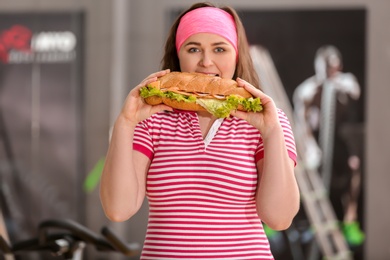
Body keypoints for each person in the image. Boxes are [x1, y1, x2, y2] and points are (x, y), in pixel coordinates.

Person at [100, 2, 300, 259]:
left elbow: (280, 218)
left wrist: (271, 132)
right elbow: (118, 209)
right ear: (178, 55)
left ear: (236, 55)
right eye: (193, 49)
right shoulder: (150, 120)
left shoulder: (269, 119)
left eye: (220, 49)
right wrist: (125, 123)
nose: (206, 62)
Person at [293, 45, 364, 247]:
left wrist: (339, 86)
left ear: (338, 66)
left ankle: (350, 222)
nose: (327, 72)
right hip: (314, 142)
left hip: (339, 140)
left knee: (354, 170)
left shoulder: (344, 83)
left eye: (331, 68)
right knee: (307, 171)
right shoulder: (307, 92)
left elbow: (355, 91)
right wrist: (311, 149)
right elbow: (302, 126)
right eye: (323, 67)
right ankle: (316, 222)